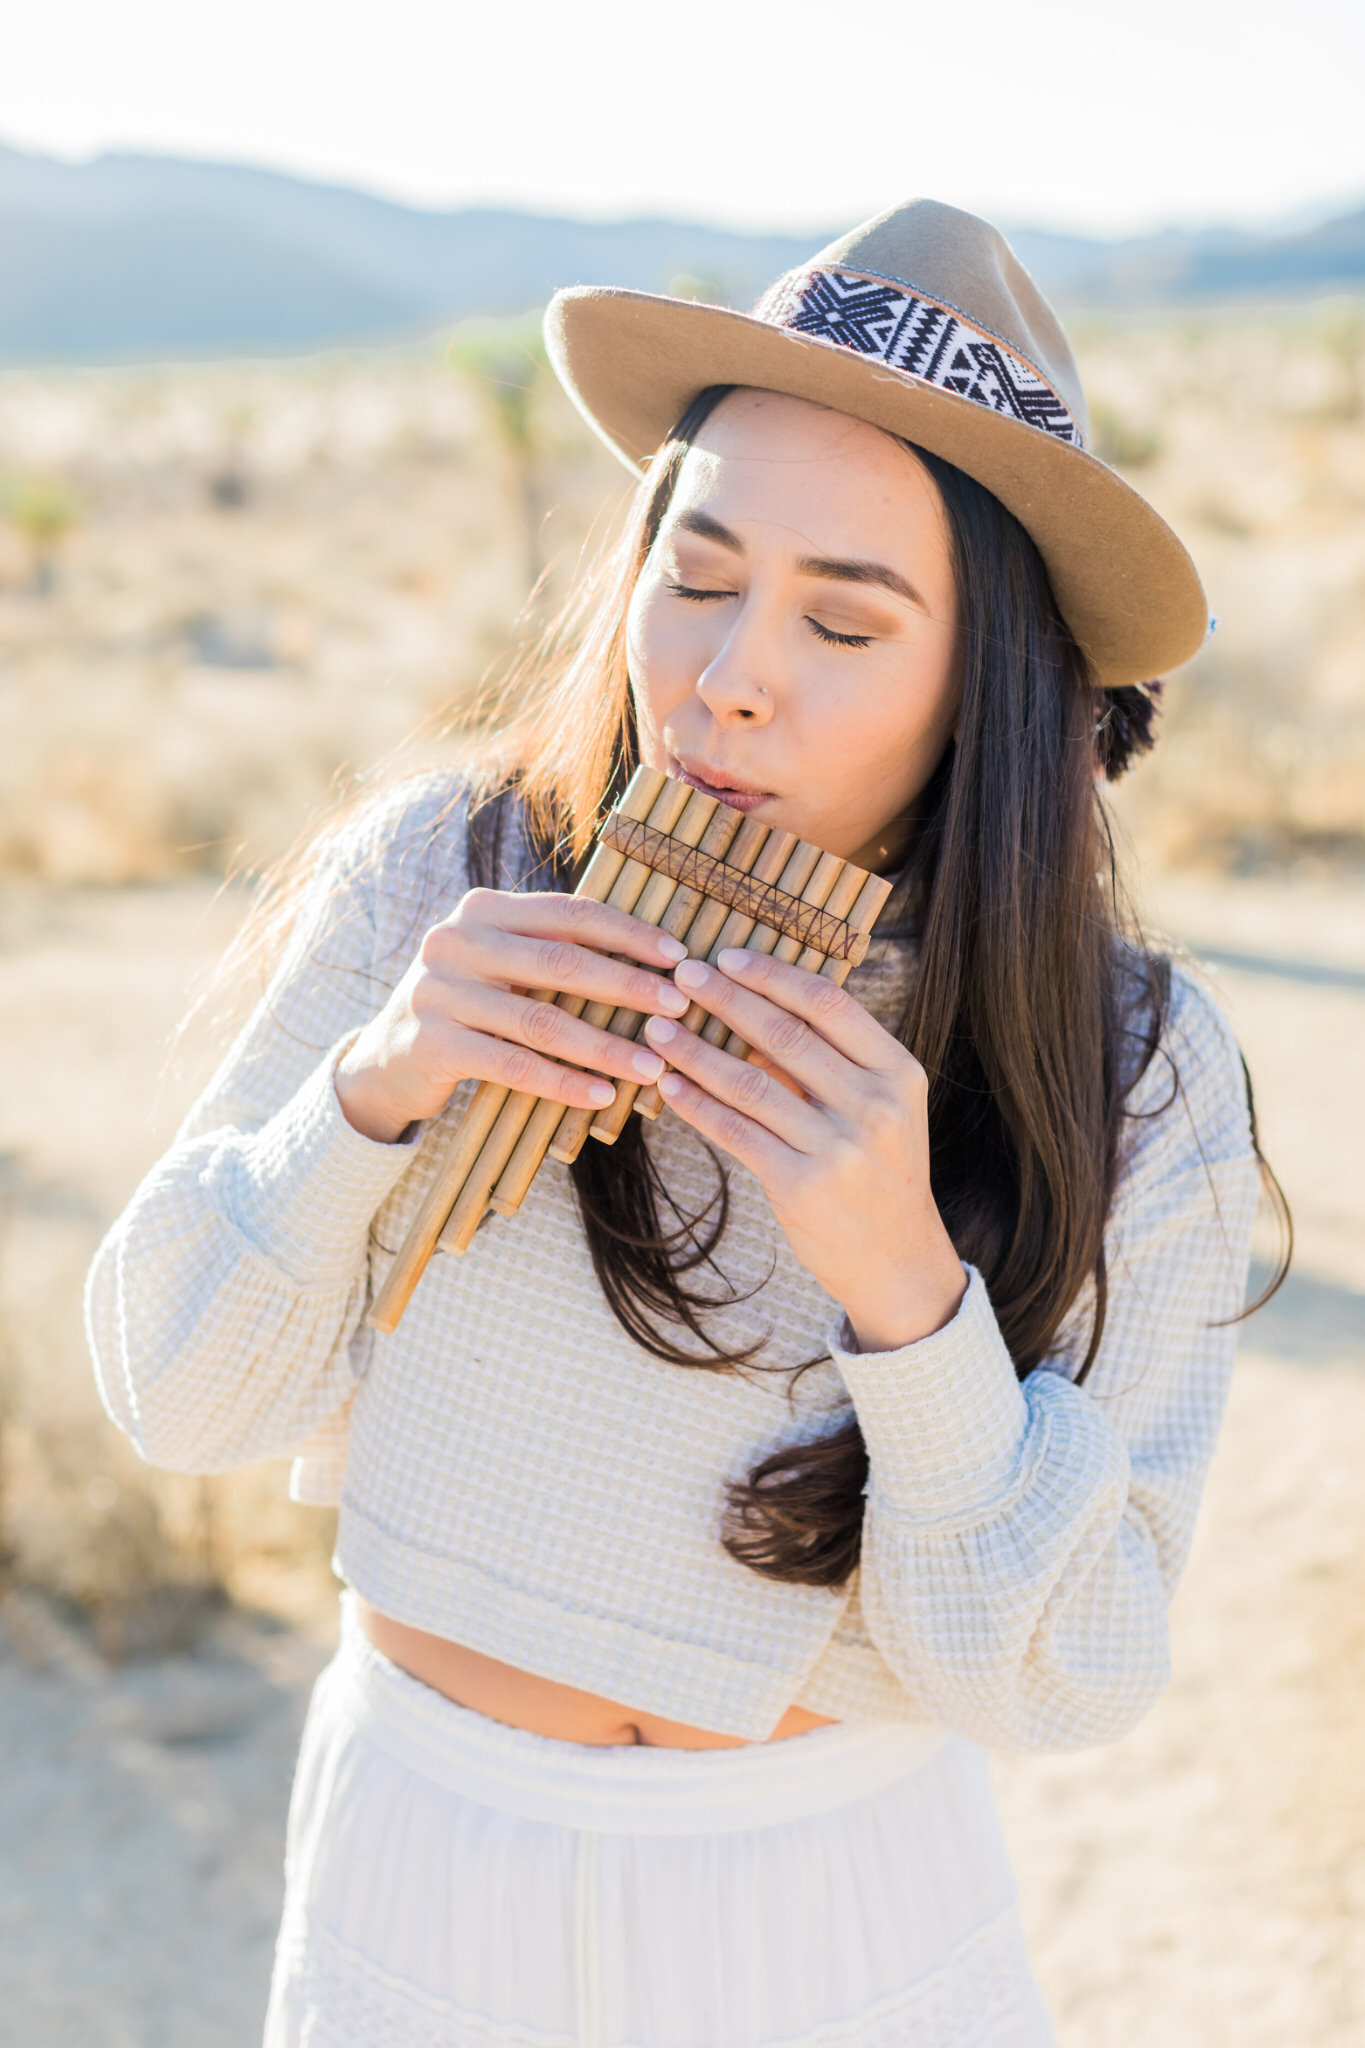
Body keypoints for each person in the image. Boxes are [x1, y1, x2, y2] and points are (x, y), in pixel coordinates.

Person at [87, 198, 1281, 2047]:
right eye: (698, 573)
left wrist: (908, 1290)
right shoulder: (448, 874)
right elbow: (178, 1398)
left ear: (992, 683)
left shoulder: (1128, 1057)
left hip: (830, 1902)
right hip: (424, 1854)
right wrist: (373, 1099)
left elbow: (1066, 1680)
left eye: (844, 619)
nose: (729, 672)